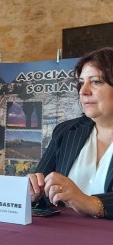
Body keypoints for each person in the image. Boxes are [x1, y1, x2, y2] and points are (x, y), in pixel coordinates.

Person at [28, 47, 113, 219]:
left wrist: (93, 203)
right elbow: (41, 192)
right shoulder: (65, 131)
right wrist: (33, 193)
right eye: (81, 82)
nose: (83, 91)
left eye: (95, 82)